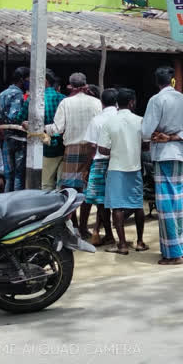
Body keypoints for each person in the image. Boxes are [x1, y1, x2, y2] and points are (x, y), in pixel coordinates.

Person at [141, 67, 183, 265]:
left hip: (164, 155)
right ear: (172, 81)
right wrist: (175, 136)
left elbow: (146, 131)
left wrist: (159, 135)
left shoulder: (156, 100)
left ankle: (173, 252)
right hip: (181, 154)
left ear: (157, 82)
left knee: (165, 204)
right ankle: (182, 248)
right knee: (180, 201)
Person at [44, 72, 102, 238]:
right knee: (87, 190)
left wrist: (39, 128)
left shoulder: (66, 103)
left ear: (70, 86)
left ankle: (74, 227)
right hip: (92, 149)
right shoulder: (96, 102)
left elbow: (57, 128)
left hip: (71, 149)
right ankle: (83, 227)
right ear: (85, 85)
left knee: (70, 190)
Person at [99, 88, 148, 255]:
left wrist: (116, 150)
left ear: (117, 103)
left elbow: (102, 149)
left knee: (117, 207)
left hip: (116, 168)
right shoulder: (140, 120)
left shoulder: (110, 122)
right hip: (135, 167)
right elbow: (147, 143)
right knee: (137, 205)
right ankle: (140, 241)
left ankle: (122, 244)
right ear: (132, 102)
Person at [17, 69, 66, 190]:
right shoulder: (63, 99)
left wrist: (26, 123)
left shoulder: (33, 99)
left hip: (44, 146)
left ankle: (48, 208)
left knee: (46, 184)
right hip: (64, 145)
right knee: (62, 184)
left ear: (44, 81)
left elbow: (19, 118)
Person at [83, 88, 118, 246]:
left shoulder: (96, 120)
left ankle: (107, 233)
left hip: (99, 162)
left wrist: (86, 168)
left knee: (100, 201)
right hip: (118, 162)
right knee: (115, 201)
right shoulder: (120, 118)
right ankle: (109, 234)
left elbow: (91, 147)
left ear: (102, 103)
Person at [0, 66, 29, 192]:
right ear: (21, 80)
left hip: (7, 138)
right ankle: (16, 204)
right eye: (28, 79)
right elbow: (14, 117)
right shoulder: (18, 95)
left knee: (9, 175)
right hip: (19, 139)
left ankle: (7, 202)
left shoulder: (2, 94)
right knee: (19, 175)